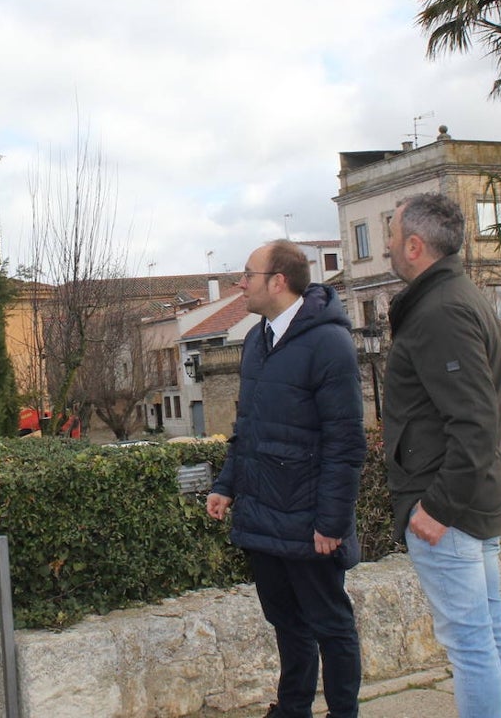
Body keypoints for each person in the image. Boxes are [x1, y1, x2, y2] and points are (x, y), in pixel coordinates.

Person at [207, 239, 366, 718]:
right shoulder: (257, 340)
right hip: (263, 514)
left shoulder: (330, 343)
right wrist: (226, 484)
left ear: (278, 281)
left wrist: (331, 523)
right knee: (285, 623)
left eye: (248, 275)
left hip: (310, 520)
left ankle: (344, 712)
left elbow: (345, 443)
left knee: (331, 624)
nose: (240, 284)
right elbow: (249, 427)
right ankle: (293, 708)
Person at [383, 192, 501, 718]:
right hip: (471, 500)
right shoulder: (455, 297)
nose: (389, 245)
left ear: (414, 246)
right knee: (487, 633)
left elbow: (476, 422)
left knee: (470, 645)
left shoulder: (440, 311)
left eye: (392, 235)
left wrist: (436, 508)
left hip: (450, 508)